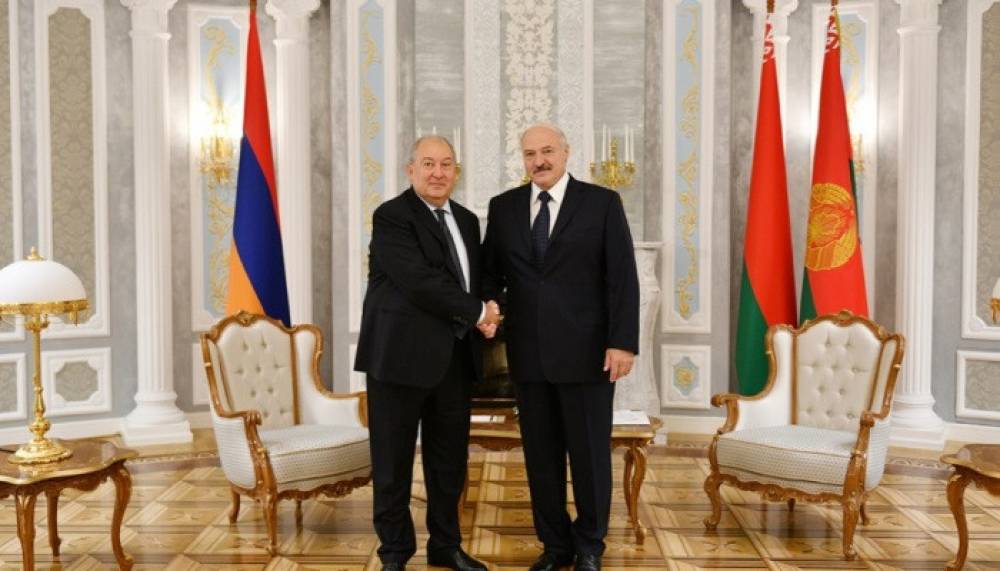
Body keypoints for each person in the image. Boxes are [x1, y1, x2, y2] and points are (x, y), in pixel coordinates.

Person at [480, 123, 639, 571]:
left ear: (566, 153)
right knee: (541, 459)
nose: (539, 161)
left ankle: (589, 545)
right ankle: (554, 546)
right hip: (528, 357)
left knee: (589, 457)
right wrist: (492, 307)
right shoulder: (504, 207)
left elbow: (622, 278)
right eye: (530, 153)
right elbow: (490, 273)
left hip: (589, 356)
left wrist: (622, 343)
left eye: (547, 151)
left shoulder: (602, 203)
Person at [355, 135, 499, 571]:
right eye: (429, 164)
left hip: (454, 360)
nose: (438, 173)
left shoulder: (467, 220)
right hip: (398, 359)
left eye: (446, 164)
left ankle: (445, 546)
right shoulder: (392, 216)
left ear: (456, 171)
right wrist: (478, 311)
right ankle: (395, 554)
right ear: (411, 170)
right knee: (393, 464)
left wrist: (490, 308)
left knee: (448, 463)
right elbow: (419, 281)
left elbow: (473, 279)